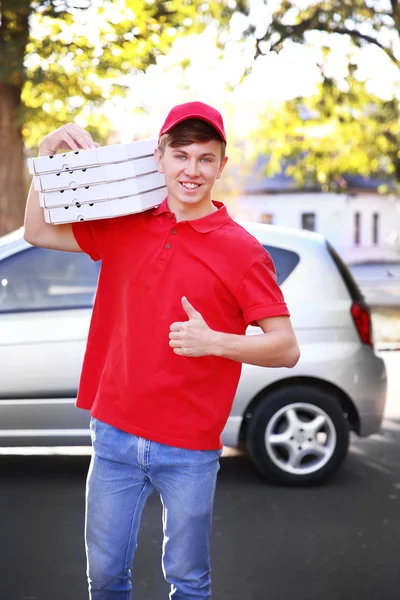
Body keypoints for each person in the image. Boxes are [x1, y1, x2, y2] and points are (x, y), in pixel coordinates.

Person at [24, 101, 300, 600]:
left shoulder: (242, 251)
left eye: (205, 158)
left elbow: (285, 348)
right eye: (181, 155)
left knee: (189, 583)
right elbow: (37, 231)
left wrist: (214, 341)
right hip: (114, 433)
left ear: (221, 166)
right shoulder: (126, 223)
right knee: (106, 577)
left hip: (189, 444)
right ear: (159, 157)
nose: (191, 170)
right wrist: (45, 161)